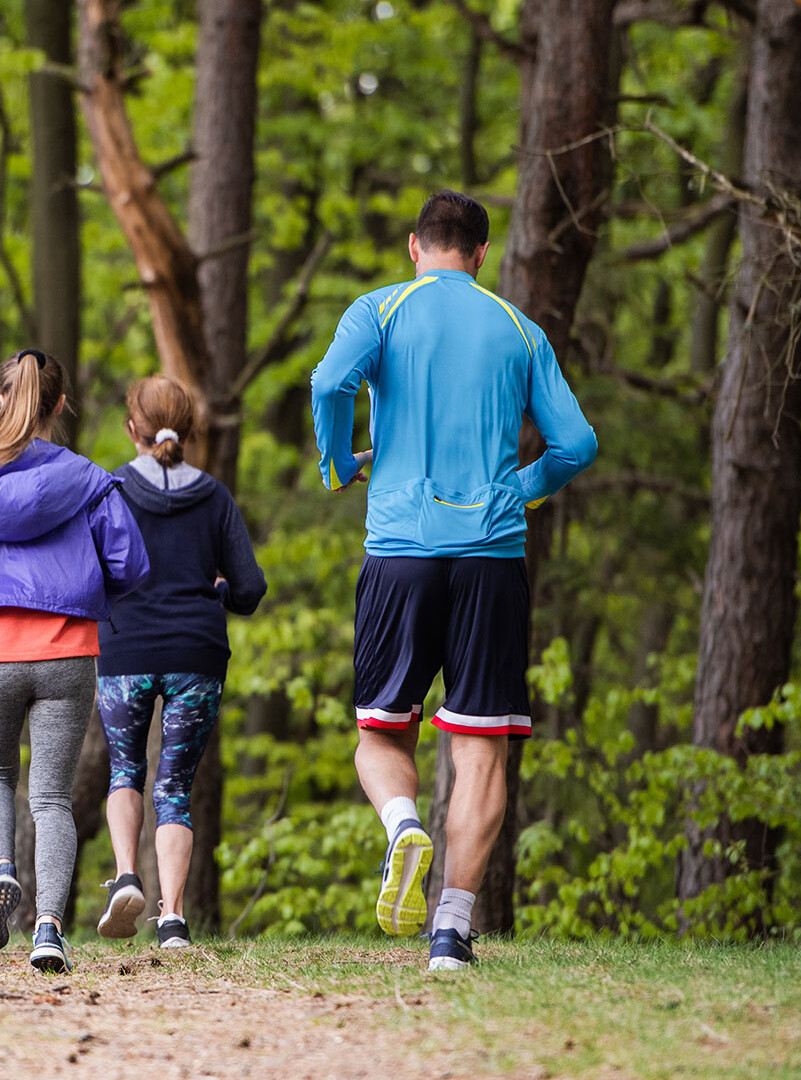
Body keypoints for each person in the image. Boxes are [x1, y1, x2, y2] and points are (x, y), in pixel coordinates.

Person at [309, 190, 596, 970]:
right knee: (481, 750)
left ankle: (403, 825)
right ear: (480, 254)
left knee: (379, 733)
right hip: (491, 558)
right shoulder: (517, 328)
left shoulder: (378, 310)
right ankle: (452, 933)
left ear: (414, 246)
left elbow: (329, 385)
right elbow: (576, 443)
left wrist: (340, 464)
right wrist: (522, 489)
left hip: (399, 549)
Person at [0, 350, 149, 974]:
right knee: (51, 798)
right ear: (59, 404)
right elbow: (130, 564)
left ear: (3, 400)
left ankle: (0, 870)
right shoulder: (89, 478)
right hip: (68, 651)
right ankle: (48, 929)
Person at [95, 376, 267, 950]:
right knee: (174, 787)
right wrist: (213, 592)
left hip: (124, 649)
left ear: (131, 429)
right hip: (197, 653)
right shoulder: (214, 497)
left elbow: (88, 573)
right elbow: (249, 589)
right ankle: (172, 919)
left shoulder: (109, 490)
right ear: (190, 431)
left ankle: (125, 875)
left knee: (125, 771)